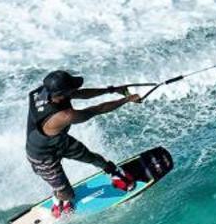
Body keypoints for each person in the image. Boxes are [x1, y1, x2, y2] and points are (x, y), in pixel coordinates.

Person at [26, 69, 144, 216]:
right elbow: (96, 110)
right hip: (42, 157)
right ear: (62, 94)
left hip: (59, 140)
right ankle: (58, 201)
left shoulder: (44, 92)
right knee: (67, 193)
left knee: (92, 157)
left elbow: (80, 93)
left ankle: (113, 172)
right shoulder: (64, 116)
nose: (75, 89)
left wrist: (112, 90)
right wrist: (127, 99)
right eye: (71, 90)